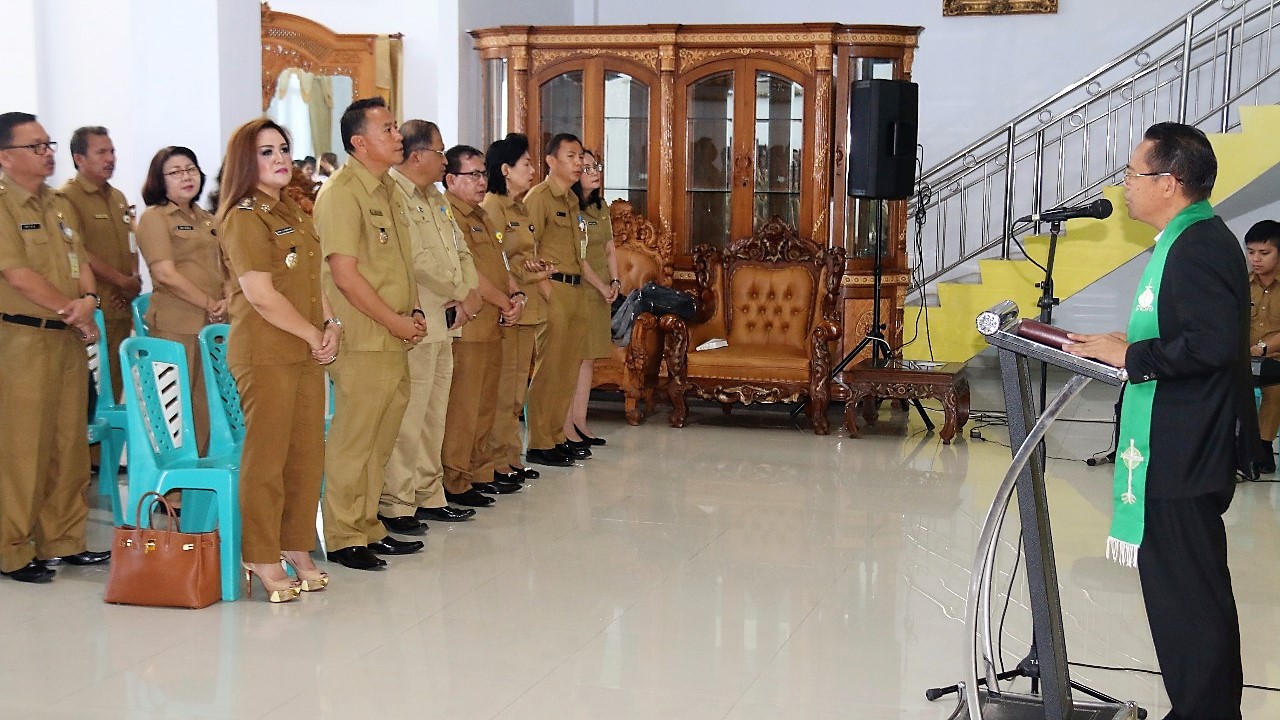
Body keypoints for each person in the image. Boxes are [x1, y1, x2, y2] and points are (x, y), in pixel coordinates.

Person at [1065, 122, 1252, 720]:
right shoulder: (1191, 237)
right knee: (1186, 591)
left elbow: (1215, 345)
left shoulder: (1197, 245)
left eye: (1132, 174)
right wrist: (1132, 342)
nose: (1124, 186)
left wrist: (1135, 356)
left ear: (1168, 183)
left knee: (1189, 595)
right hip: (1182, 438)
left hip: (1184, 447)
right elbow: (1194, 334)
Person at [217, 118, 335, 602]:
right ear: (248, 161)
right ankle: (260, 552)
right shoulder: (244, 216)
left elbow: (312, 283)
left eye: (283, 149)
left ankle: (296, 545)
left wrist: (331, 328)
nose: (281, 159)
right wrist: (312, 333)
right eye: (267, 152)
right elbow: (260, 294)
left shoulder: (293, 209)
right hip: (265, 352)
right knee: (266, 458)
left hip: (305, 350)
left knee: (306, 454)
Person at [315, 97, 425, 571]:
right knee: (354, 439)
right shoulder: (342, 192)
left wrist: (413, 311)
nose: (398, 135)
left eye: (396, 126)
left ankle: (367, 525)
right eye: (387, 128)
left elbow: (400, 263)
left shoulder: (387, 190)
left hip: (394, 334)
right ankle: (341, 536)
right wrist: (395, 320)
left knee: (381, 438)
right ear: (359, 142)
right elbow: (344, 275)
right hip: (363, 336)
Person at [0, 111, 108, 584]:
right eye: (36, 146)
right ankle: (12, 549)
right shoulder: (3, 205)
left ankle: (63, 540)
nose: (48, 153)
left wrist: (87, 301)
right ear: (6, 156)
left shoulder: (59, 205)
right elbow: (17, 275)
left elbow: (79, 260)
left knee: (69, 443)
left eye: (48, 145)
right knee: (23, 449)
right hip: (21, 339)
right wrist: (73, 307)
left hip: (66, 337)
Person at [380, 120, 483, 530]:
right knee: (410, 417)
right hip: (418, 317)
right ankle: (397, 502)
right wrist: (461, 289)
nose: (445, 159)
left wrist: (467, 290)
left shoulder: (436, 199)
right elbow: (416, 261)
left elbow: (461, 250)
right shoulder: (394, 196)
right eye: (440, 152)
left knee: (434, 414)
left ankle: (428, 493)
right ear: (418, 154)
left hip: (448, 319)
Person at [440, 145, 523, 506]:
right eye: (472, 175)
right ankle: (456, 481)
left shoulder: (481, 215)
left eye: (482, 174)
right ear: (451, 180)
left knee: (487, 404)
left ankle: (479, 471)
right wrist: (505, 301)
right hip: (471, 326)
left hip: (494, 323)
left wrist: (514, 292)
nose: (480, 181)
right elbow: (469, 272)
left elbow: (499, 262)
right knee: (465, 408)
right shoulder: (450, 216)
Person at [136, 146, 226, 455]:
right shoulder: (154, 218)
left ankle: (196, 488)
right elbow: (164, 273)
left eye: (191, 169)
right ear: (159, 180)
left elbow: (227, 266)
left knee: (206, 407)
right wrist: (209, 302)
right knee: (174, 409)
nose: (186, 176)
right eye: (175, 172)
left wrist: (225, 301)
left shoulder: (208, 219)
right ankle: (171, 494)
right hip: (177, 326)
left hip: (212, 326)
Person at [481, 133, 551, 483]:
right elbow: (493, 261)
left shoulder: (520, 206)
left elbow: (519, 257)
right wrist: (521, 274)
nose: (532, 170)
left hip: (528, 305)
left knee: (515, 393)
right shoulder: (493, 207)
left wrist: (536, 268)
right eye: (526, 164)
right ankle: (495, 462)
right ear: (505, 169)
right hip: (507, 309)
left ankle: (511, 456)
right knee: (504, 391)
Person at [522, 133, 592, 467]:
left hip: (576, 289)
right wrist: (544, 290)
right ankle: (538, 441)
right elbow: (527, 247)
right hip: (553, 289)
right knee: (548, 368)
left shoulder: (571, 201)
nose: (579, 162)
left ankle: (555, 434)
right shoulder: (540, 197)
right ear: (551, 160)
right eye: (571, 156)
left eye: (581, 156)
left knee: (568, 368)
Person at [60, 126, 141, 400]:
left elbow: (131, 243)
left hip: (122, 306)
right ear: (79, 158)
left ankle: (109, 447)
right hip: (93, 311)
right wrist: (121, 281)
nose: (110, 158)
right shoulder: (68, 198)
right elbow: (78, 251)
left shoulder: (117, 197)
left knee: (116, 389)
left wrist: (133, 281)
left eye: (112, 151)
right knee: (91, 395)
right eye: (101, 152)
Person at [564, 149, 618, 448]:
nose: (594, 172)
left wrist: (615, 281)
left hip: (602, 292)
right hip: (581, 289)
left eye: (596, 165)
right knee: (573, 359)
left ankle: (580, 422)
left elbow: (609, 248)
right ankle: (565, 424)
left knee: (588, 360)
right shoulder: (570, 208)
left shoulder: (600, 207)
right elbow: (577, 257)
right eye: (586, 168)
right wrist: (600, 286)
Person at [1245, 219, 1280, 474]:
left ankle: (1263, 447)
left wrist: (1264, 348)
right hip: (1244, 358)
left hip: (1276, 359)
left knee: (1275, 388)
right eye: (1251, 252)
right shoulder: (1241, 285)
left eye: (1264, 253)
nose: (1256, 259)